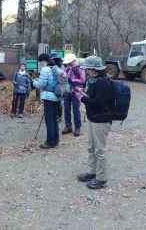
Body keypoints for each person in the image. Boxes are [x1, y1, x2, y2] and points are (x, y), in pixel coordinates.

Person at [76, 56, 114, 190]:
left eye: (87, 68)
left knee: (99, 150)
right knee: (91, 147)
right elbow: (94, 98)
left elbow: (99, 103)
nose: (85, 71)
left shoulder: (103, 82)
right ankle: (92, 172)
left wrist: (83, 98)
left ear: (94, 69)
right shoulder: (93, 81)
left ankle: (101, 178)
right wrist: (84, 94)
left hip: (101, 120)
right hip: (94, 118)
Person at [33, 53, 60, 149]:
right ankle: (56, 139)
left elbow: (41, 84)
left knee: (49, 120)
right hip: (57, 96)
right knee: (55, 119)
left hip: (48, 97)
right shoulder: (56, 68)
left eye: (40, 62)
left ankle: (50, 141)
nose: (40, 64)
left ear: (43, 61)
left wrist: (34, 82)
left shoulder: (45, 69)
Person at [62, 53, 86, 137]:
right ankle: (68, 126)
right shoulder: (68, 68)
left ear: (73, 60)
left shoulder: (80, 68)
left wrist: (72, 79)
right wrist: (63, 76)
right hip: (67, 91)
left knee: (76, 110)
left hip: (76, 92)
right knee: (66, 109)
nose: (68, 63)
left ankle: (77, 128)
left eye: (69, 62)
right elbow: (65, 76)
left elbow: (83, 80)